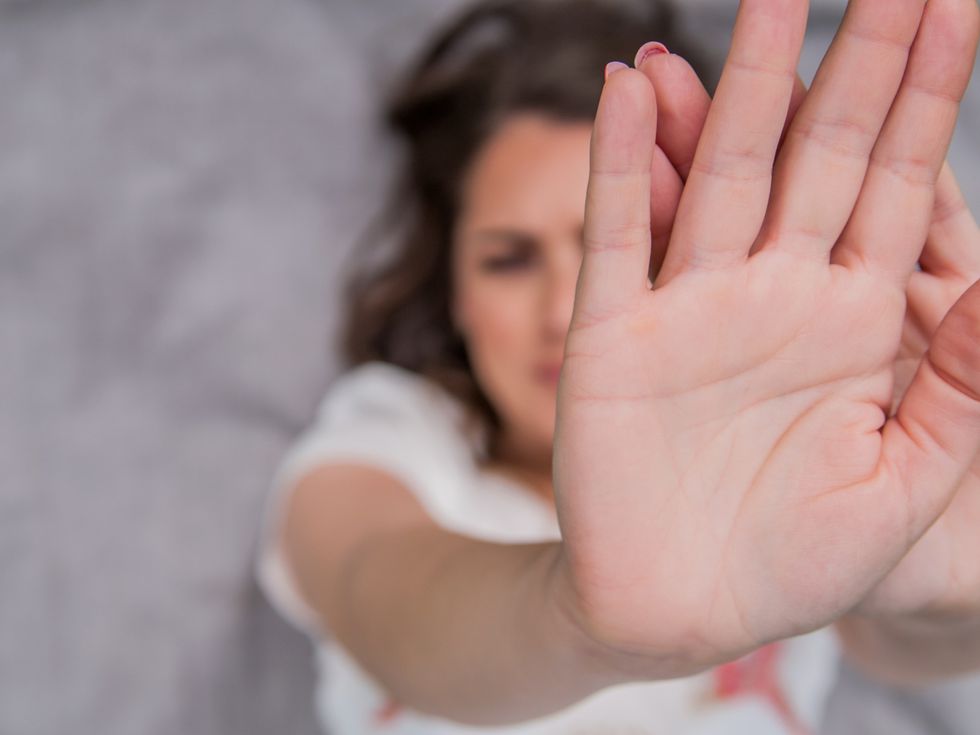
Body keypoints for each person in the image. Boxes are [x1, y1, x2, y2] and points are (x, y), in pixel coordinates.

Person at [256, 0, 980, 732]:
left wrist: (941, 573)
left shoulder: (787, 458)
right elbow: (381, 592)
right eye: (508, 260)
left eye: (617, 245)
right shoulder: (394, 440)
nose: (560, 312)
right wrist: (582, 622)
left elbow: (906, 642)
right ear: (455, 294)